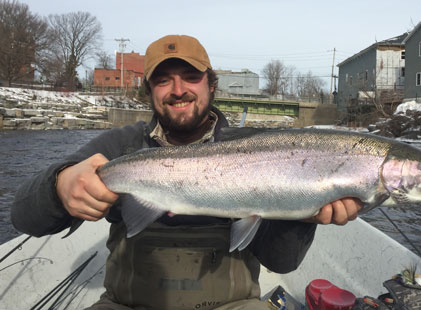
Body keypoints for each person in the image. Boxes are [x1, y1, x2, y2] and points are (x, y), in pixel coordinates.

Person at [11, 34, 362, 310]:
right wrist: (59, 186)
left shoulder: (260, 151)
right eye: (163, 80)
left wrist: (303, 218)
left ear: (211, 85)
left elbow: (281, 264)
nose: (178, 90)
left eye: (191, 77)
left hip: (234, 305)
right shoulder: (119, 147)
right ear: (149, 92)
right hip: (126, 304)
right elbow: (23, 217)